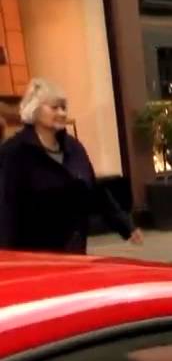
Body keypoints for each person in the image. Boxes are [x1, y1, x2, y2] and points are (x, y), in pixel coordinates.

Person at [0, 78, 142, 253]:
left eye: (64, 107)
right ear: (34, 109)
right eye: (54, 107)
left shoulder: (74, 148)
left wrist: (126, 227)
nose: (61, 113)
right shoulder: (14, 152)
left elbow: (95, 192)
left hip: (74, 251)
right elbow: (6, 210)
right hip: (35, 256)